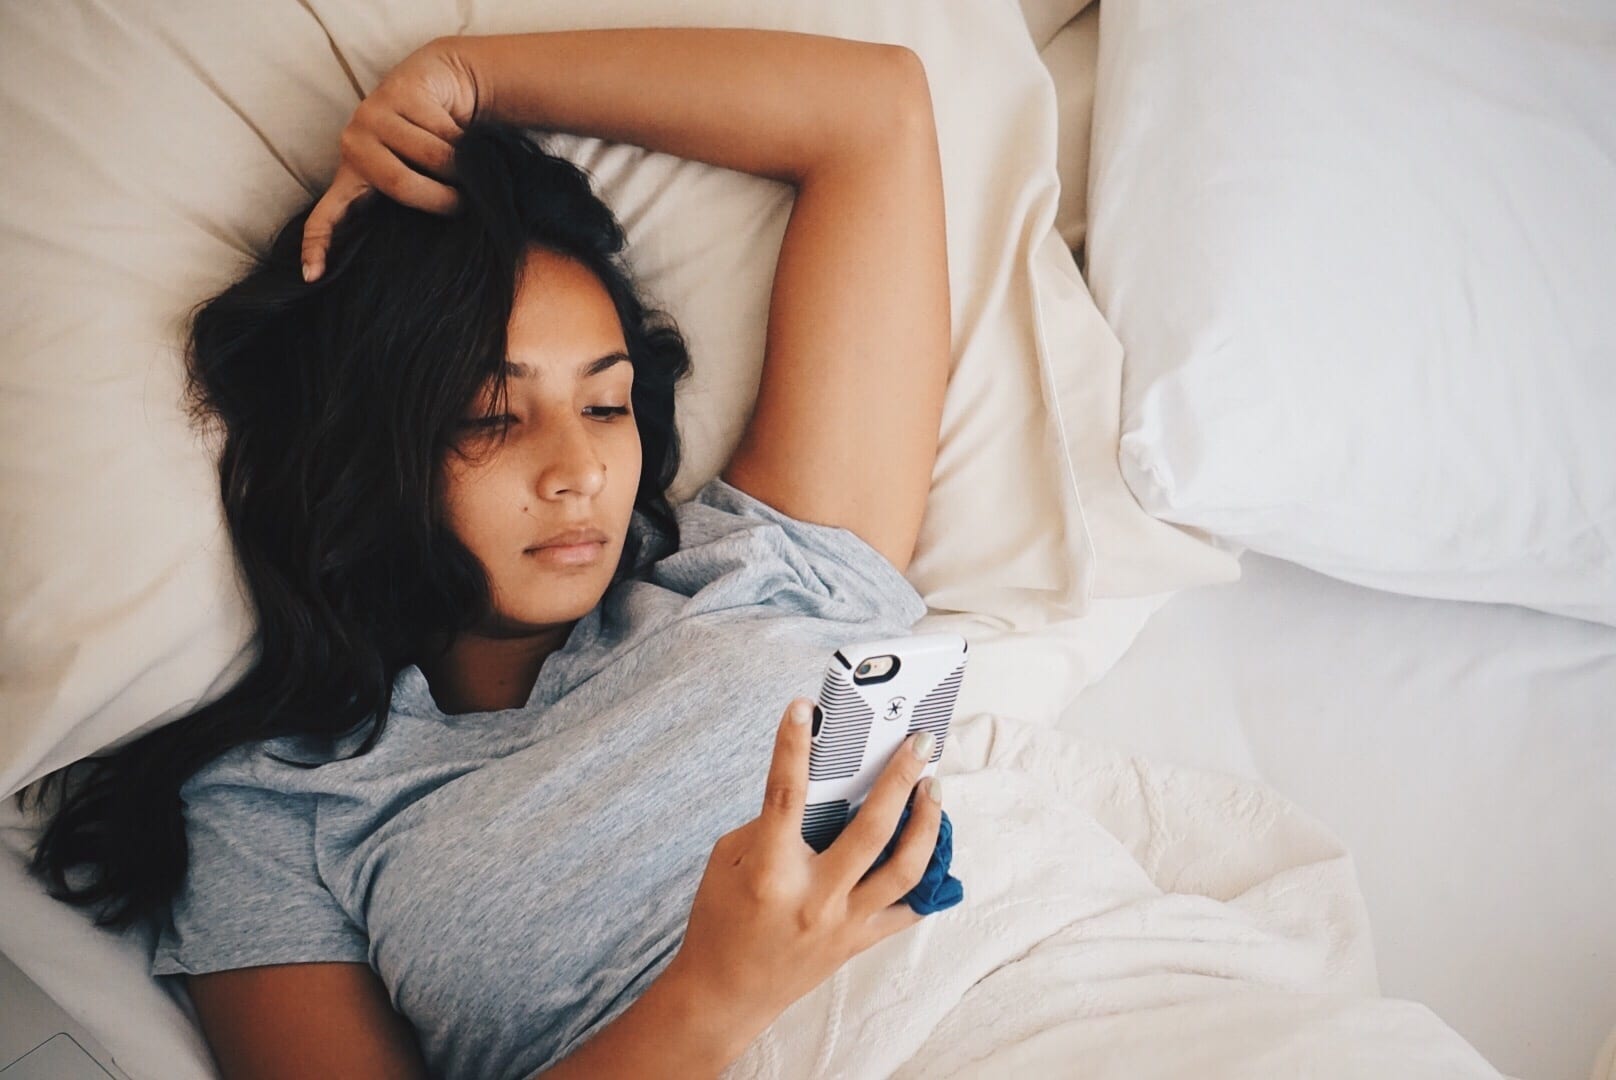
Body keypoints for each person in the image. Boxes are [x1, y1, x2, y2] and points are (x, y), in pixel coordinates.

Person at [18, 26, 951, 1080]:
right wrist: (712, 997)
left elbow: (874, 114)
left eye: (604, 404)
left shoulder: (760, 568)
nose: (578, 471)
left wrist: (469, 80)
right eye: (489, 421)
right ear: (357, 460)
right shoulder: (273, 811)